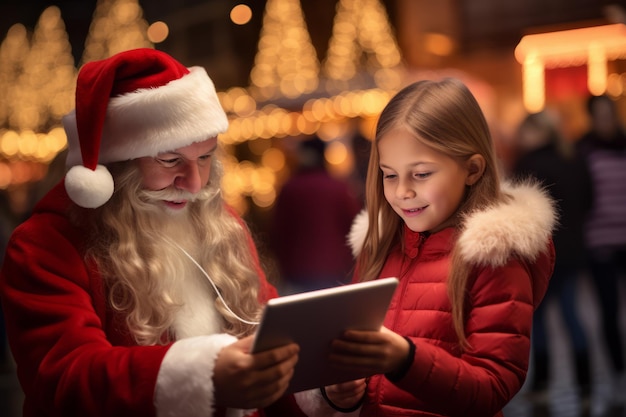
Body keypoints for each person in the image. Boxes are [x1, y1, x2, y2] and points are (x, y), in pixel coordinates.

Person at [0, 48, 306, 417]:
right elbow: (64, 378)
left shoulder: (221, 224)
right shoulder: (45, 245)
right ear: (118, 165)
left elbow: (267, 344)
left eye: (205, 157)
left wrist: (323, 385)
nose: (194, 184)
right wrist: (203, 375)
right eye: (170, 160)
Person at [293, 78, 556, 417]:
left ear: (472, 169)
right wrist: (340, 392)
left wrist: (406, 359)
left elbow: (494, 386)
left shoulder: (493, 256)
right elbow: (362, 376)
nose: (402, 191)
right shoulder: (380, 248)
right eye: (389, 175)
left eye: (420, 174)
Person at [512, 111, 593, 397]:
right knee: (573, 316)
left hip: (539, 255)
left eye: (525, 131)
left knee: (540, 320)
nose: (521, 137)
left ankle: (542, 385)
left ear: (540, 132)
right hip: (573, 252)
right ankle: (586, 384)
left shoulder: (528, 164)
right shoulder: (574, 159)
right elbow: (588, 201)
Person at [576, 94, 626, 404]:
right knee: (609, 312)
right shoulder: (583, 149)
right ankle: (618, 374)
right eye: (599, 114)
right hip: (599, 242)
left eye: (609, 113)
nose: (605, 119)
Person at [270, 136, 362, 294]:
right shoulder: (339, 188)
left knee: (307, 317)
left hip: (298, 272)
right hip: (335, 269)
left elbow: (279, 231)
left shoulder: (290, 189)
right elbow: (354, 227)